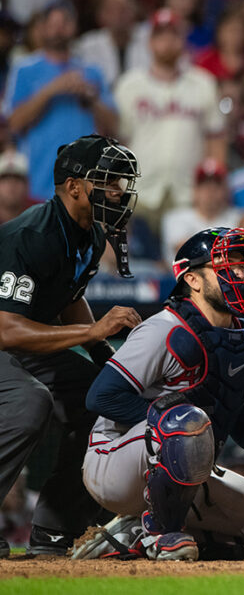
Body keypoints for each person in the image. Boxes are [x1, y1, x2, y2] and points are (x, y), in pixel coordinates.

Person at [74, 227, 244, 561]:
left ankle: (133, 534)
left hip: (189, 467)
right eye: (229, 266)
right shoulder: (163, 328)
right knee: (187, 422)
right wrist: (170, 425)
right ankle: (160, 533)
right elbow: (102, 397)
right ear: (193, 280)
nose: (243, 274)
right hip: (113, 462)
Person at [0, 136, 142, 557]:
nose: (117, 192)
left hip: (25, 344)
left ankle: (55, 529)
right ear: (74, 187)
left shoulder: (91, 234)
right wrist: (93, 334)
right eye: (107, 182)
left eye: (120, 183)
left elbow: (67, 298)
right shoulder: (30, 235)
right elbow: (6, 329)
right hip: (7, 339)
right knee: (29, 402)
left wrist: (113, 367)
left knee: (106, 397)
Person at [114, 9, 226, 232]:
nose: (167, 42)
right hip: (139, 194)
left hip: (188, 195)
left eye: (173, 35)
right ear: (150, 42)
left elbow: (216, 141)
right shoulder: (129, 85)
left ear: (183, 41)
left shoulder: (203, 83)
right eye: (161, 36)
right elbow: (118, 143)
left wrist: (210, 191)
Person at [3, 2, 119, 203]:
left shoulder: (91, 72)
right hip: (37, 183)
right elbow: (14, 123)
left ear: (75, 27)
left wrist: (91, 98)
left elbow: (114, 125)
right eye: (52, 23)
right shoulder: (24, 69)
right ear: (42, 28)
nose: (59, 28)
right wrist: (51, 90)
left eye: (65, 21)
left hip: (84, 185)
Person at [160, 159, 240, 266]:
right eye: (205, 186)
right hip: (181, 280)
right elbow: (187, 252)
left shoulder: (237, 217)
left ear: (225, 190)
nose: (210, 191)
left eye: (216, 186)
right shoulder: (175, 218)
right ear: (195, 190)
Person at [73, 0, 151, 87]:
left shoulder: (150, 38)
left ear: (135, 11)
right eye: (112, 9)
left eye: (124, 9)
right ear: (101, 14)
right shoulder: (87, 46)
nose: (118, 15)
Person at [0, 148, 31, 225]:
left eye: (17, 178)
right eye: (5, 178)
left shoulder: (40, 213)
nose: (12, 184)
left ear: (27, 184)